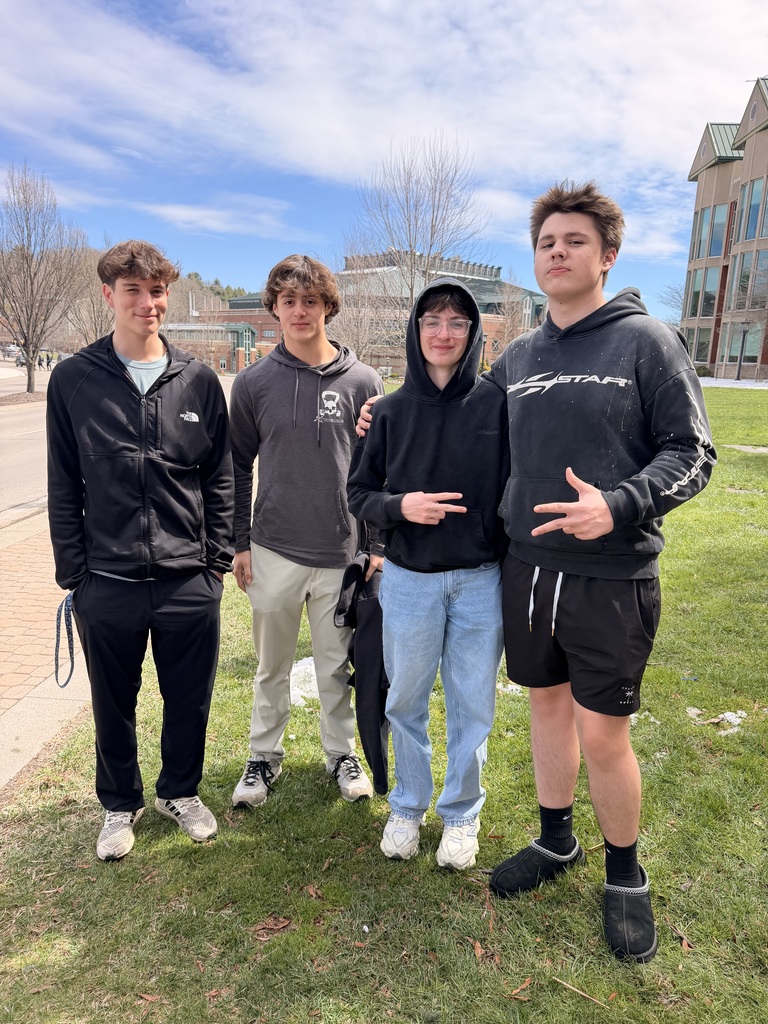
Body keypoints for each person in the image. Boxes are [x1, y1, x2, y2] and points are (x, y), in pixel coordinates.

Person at [485, 182, 716, 962]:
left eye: (575, 241)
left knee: (604, 733)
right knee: (545, 709)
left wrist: (618, 506)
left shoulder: (646, 341)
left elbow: (693, 453)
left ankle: (625, 875)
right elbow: (466, 427)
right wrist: (386, 414)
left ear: (608, 255)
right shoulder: (519, 356)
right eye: (547, 242)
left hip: (611, 578)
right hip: (528, 569)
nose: (558, 252)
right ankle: (556, 841)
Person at [47, 240, 234, 862]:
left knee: (189, 699)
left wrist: (216, 561)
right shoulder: (74, 379)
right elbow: (62, 481)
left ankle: (179, 791)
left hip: (188, 579)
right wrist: (75, 574)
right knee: (113, 703)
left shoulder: (198, 380)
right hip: (108, 579)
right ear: (109, 295)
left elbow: (220, 476)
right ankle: (119, 803)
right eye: (133, 290)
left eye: (156, 291)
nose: (147, 303)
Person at [347, 279, 508, 870]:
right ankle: (408, 806)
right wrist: (401, 507)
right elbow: (358, 493)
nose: (444, 333)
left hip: (479, 580)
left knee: (472, 705)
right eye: (432, 322)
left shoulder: (497, 405)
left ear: (473, 333)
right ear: (416, 331)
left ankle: (461, 813)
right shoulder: (389, 411)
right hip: (410, 580)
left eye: (457, 323)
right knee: (406, 699)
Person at [229, 255, 384, 809]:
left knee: (334, 666)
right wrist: (239, 542)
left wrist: (376, 546)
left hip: (341, 551)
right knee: (271, 666)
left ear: (327, 307)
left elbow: (378, 469)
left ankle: (341, 753)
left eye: (310, 301)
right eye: (288, 301)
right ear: (274, 307)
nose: (299, 311)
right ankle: (262, 756)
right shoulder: (252, 383)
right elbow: (235, 467)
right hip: (273, 548)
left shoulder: (364, 381)